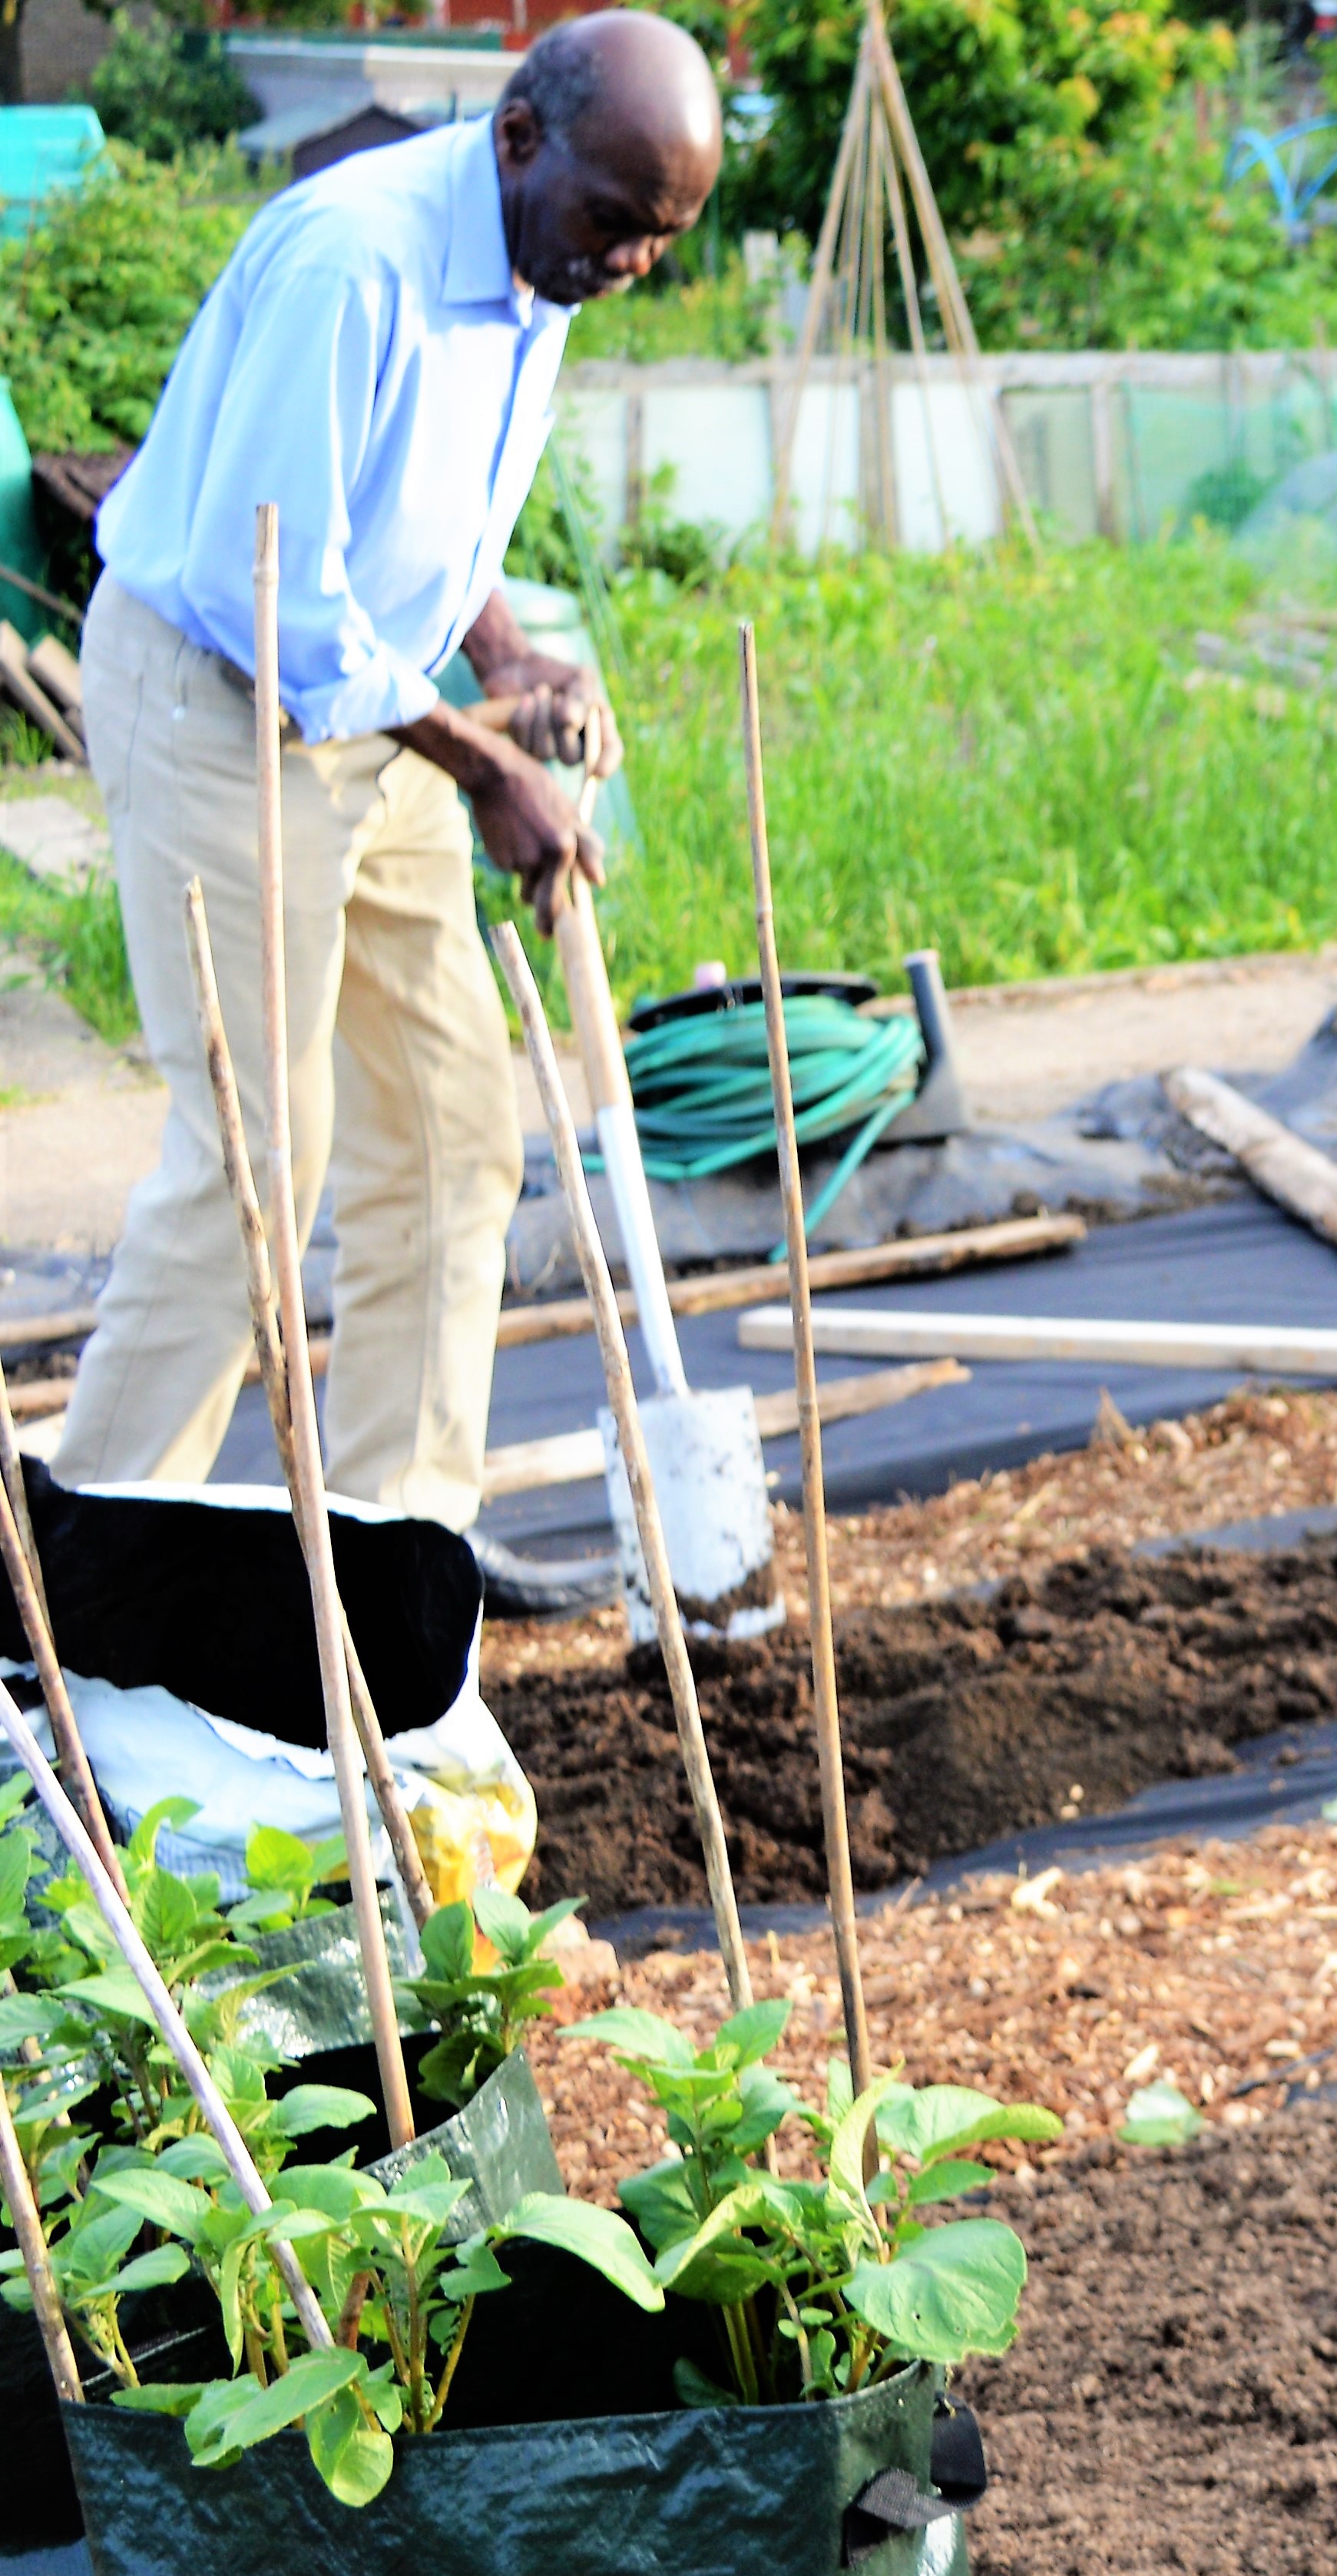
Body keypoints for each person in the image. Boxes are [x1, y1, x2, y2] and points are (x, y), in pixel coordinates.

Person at [61, 12, 721, 1609]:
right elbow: (259, 584)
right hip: (223, 702)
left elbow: (420, 512)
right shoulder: (347, 265)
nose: (632, 263)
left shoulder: (539, 261)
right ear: (518, 141)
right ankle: (64, 1601)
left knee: (450, 1136)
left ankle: (386, 1556)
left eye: (663, 238)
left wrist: (511, 662)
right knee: (255, 1168)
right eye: (617, 222)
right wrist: (489, 766)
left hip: (382, 704)